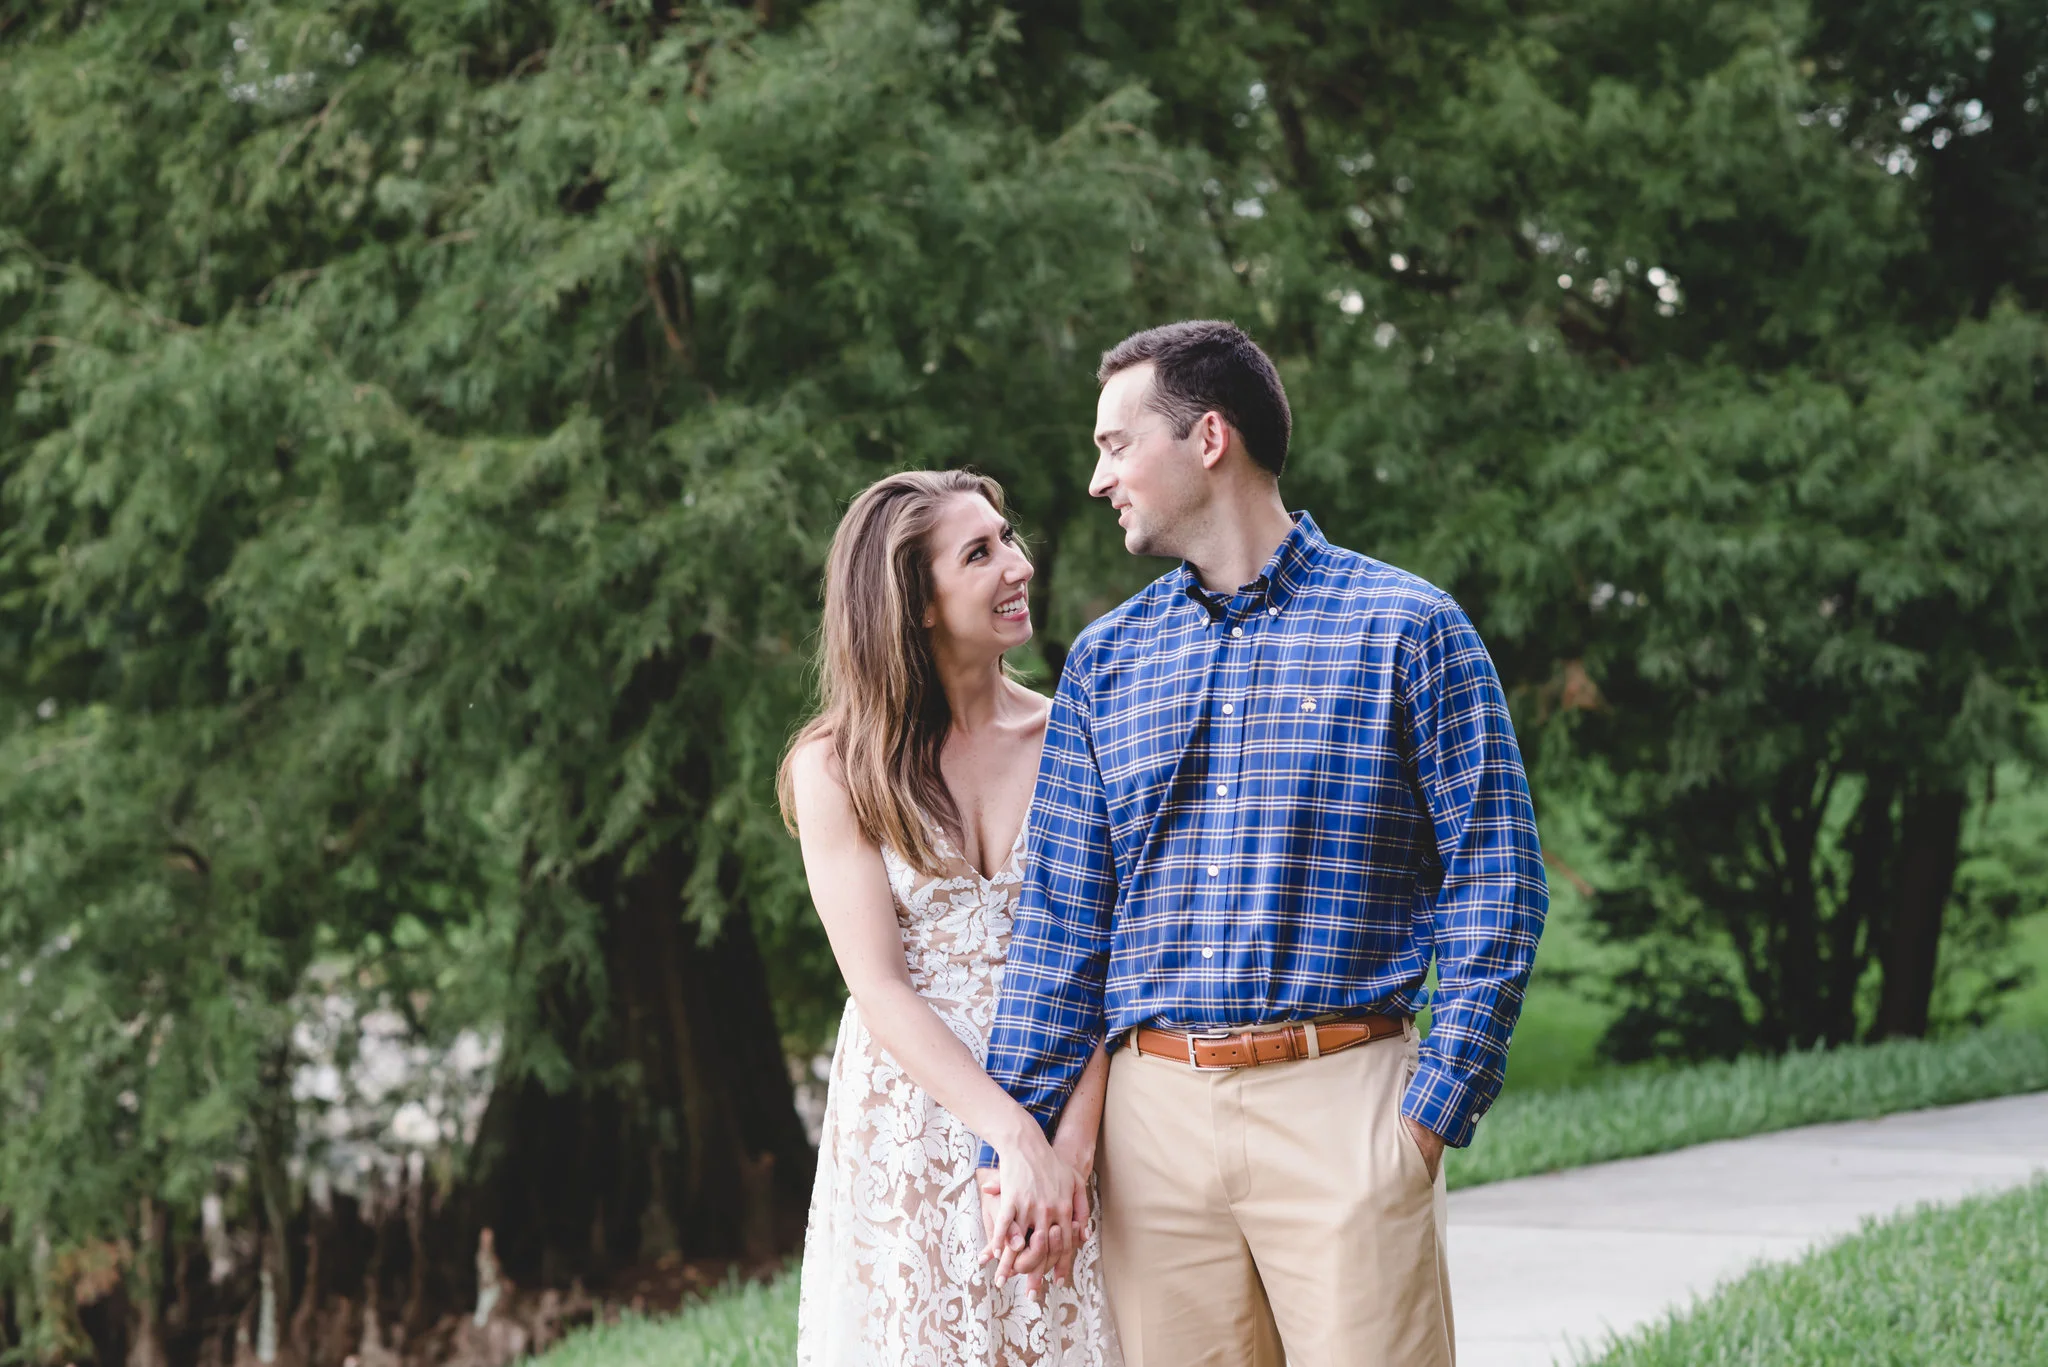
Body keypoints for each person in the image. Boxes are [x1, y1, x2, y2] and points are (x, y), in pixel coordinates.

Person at [975, 321, 1549, 1367]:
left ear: (1208, 438)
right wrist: (1006, 1140)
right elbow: (1063, 921)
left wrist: (1428, 1115)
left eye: (1115, 445)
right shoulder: (1106, 661)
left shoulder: (1407, 629)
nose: (1099, 479)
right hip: (1153, 1126)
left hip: (1346, 1104)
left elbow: (1495, 877)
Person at [780, 470, 1122, 1366]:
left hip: (1063, 1094)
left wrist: (1068, 1150)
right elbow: (880, 986)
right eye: (979, 553)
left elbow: (1111, 961)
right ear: (916, 602)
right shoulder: (837, 767)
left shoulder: (1074, 737)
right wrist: (1009, 1135)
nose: (1017, 564)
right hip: (912, 1118)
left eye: (1008, 538)